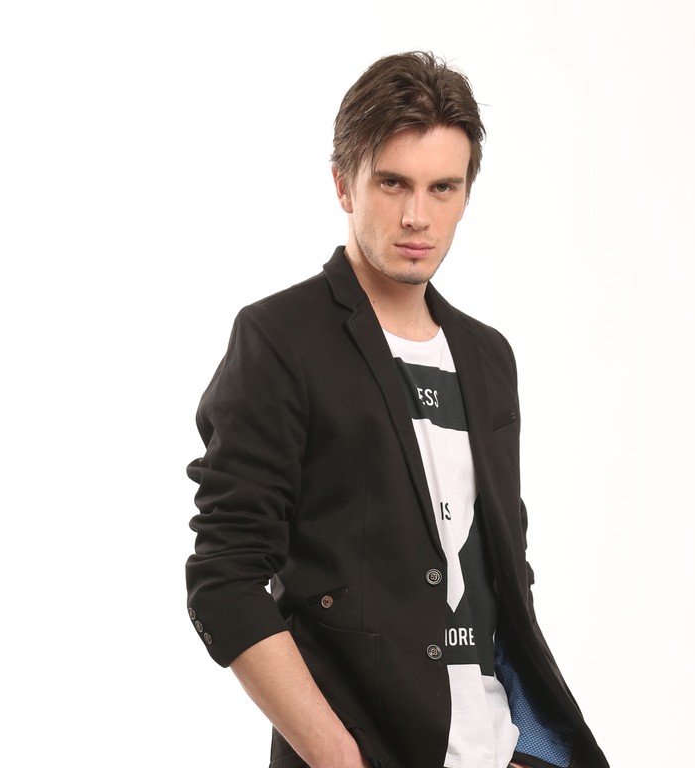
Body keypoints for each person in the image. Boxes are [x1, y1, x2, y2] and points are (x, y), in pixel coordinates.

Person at [185, 51, 609, 768]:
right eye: (393, 183)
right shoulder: (282, 339)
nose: (418, 216)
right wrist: (336, 756)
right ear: (343, 184)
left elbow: (504, 575)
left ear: (466, 195)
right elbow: (225, 580)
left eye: (443, 188)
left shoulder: (487, 357)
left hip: (503, 748)